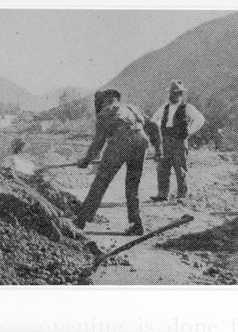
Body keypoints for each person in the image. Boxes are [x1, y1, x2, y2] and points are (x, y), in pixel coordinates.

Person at [72, 89, 163, 236]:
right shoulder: (133, 108)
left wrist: (85, 160)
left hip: (120, 143)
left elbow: (98, 143)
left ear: (102, 102)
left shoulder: (104, 113)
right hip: (141, 142)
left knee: (101, 181)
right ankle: (137, 224)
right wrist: (159, 150)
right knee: (133, 185)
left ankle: (80, 221)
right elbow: (154, 126)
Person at [150, 80, 205, 203]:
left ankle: (182, 195)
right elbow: (153, 121)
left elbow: (199, 119)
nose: (172, 95)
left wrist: (189, 131)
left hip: (179, 142)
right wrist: (157, 134)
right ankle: (163, 194)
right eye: (171, 93)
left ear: (180, 94)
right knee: (162, 168)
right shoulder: (164, 107)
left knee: (180, 169)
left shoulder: (187, 108)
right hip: (165, 142)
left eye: (175, 93)